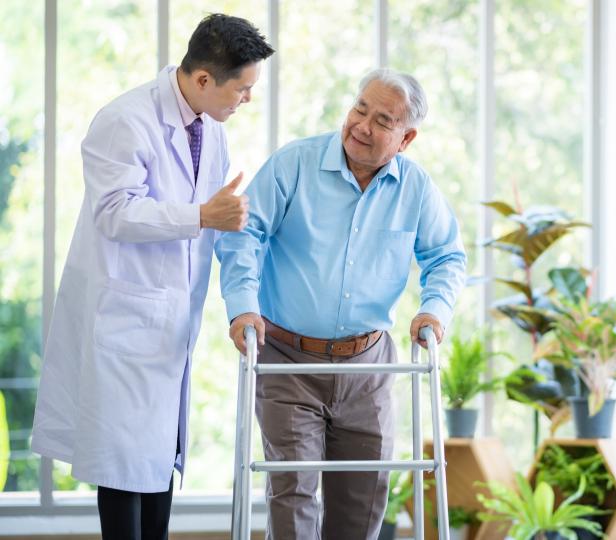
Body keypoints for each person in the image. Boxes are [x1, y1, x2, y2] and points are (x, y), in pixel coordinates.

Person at [30, 14, 274, 540]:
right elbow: (115, 212)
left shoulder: (211, 131)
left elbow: (217, 217)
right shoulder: (125, 120)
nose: (247, 99)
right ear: (205, 80)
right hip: (125, 318)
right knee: (123, 470)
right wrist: (202, 217)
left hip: (169, 323)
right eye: (243, 88)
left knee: (159, 461)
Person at [216, 68, 467, 539]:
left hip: (367, 366)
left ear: (406, 137)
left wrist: (435, 309)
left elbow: (447, 255)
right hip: (287, 361)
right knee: (293, 497)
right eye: (359, 109)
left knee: (364, 499)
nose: (362, 125)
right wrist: (243, 306)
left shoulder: (415, 188)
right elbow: (244, 235)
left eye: (382, 120)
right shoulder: (294, 164)